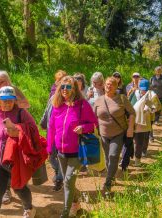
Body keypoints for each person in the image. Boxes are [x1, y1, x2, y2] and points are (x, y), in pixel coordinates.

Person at [0, 86, 38, 218]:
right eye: (4, 100)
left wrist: (18, 130)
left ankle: (29, 208)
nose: (7, 103)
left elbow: (34, 130)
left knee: (19, 188)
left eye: (10, 100)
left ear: (14, 100)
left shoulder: (21, 113)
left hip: (15, 161)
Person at [48, 76, 98, 217]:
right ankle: (75, 203)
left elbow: (93, 125)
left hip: (77, 151)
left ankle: (65, 212)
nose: (65, 89)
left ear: (74, 88)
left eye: (68, 87)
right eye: (62, 87)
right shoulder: (57, 105)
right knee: (67, 182)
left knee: (69, 180)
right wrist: (49, 147)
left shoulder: (83, 105)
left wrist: (83, 128)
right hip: (61, 152)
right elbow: (51, 128)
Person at [93, 77, 135, 192]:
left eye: (111, 84)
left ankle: (108, 182)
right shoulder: (99, 100)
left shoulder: (122, 98)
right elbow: (93, 117)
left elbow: (132, 113)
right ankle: (112, 176)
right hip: (103, 134)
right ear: (103, 85)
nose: (108, 86)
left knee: (113, 156)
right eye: (107, 84)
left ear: (116, 87)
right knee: (107, 158)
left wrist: (130, 128)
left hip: (118, 133)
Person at [0, 70, 29, 203]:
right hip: (0, 131)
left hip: (15, 130)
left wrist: (13, 104)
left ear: (7, 80)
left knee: (11, 160)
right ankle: (7, 191)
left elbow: (27, 104)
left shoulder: (15, 90)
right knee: (3, 160)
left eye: (0, 82)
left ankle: (18, 186)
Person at [130, 79, 161, 166]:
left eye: (145, 89)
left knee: (143, 137)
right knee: (131, 138)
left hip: (146, 120)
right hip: (133, 119)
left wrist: (150, 109)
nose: (144, 91)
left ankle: (142, 152)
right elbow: (129, 102)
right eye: (142, 89)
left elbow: (157, 107)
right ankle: (131, 155)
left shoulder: (152, 95)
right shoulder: (135, 93)